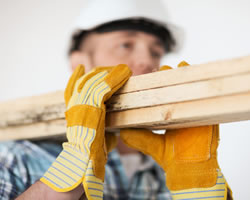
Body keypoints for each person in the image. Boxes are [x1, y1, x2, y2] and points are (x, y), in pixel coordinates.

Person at [0, 0, 232, 199]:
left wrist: (196, 189)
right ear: (79, 64)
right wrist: (70, 173)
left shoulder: (169, 172)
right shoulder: (15, 159)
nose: (146, 62)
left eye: (156, 52)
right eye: (125, 45)